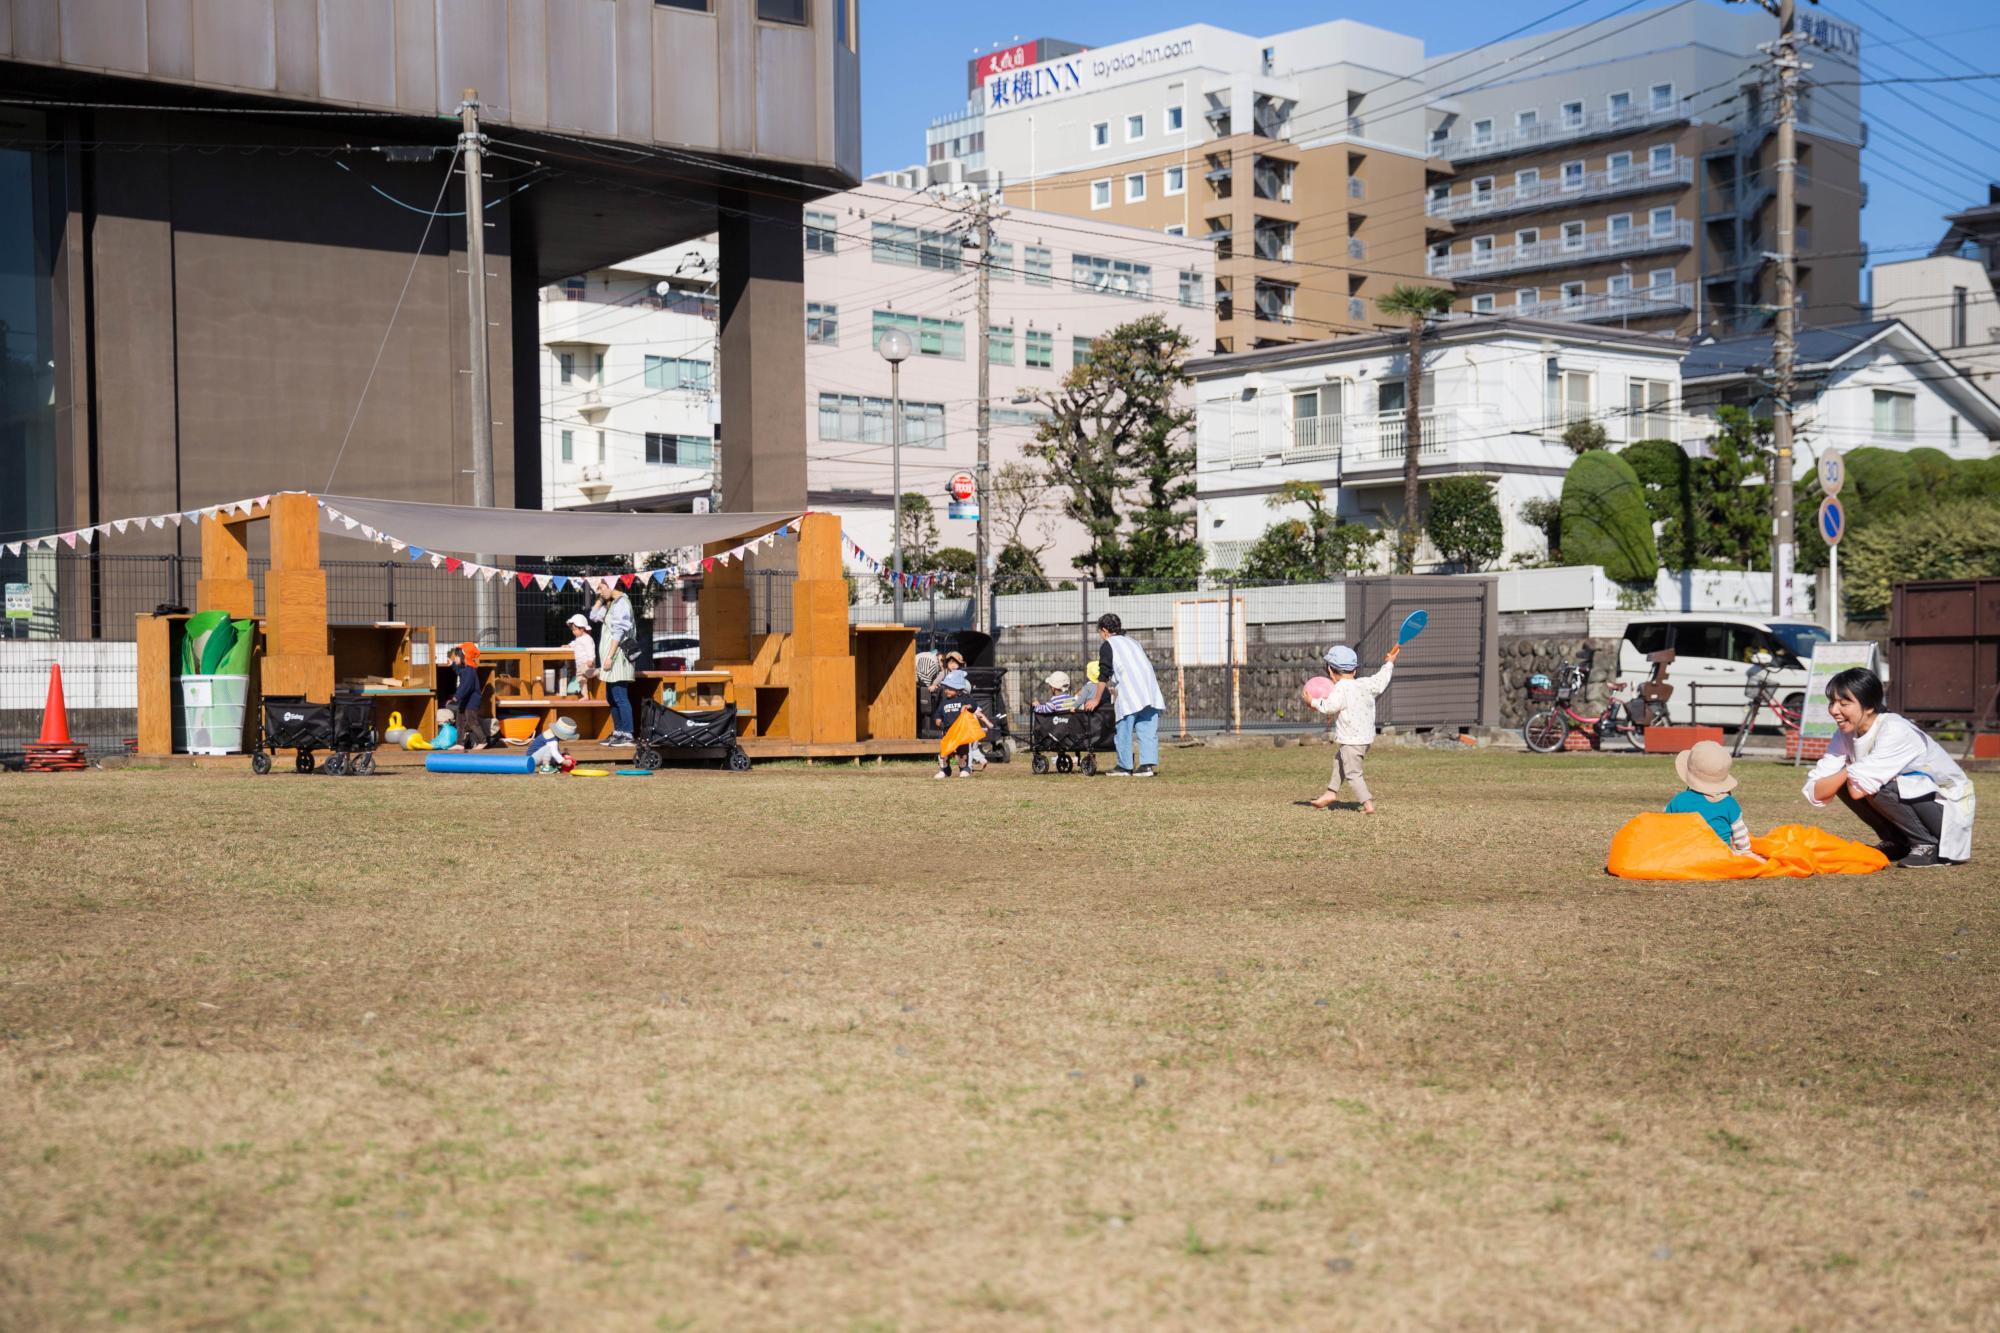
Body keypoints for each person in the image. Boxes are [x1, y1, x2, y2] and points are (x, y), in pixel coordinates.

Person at [1803, 667, 1975, 868]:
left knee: (1873, 784)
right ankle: (1898, 842)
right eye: (1832, 702)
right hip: (1912, 796)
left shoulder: (1895, 729)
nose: (1834, 710)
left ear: (1869, 706)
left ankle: (1928, 844)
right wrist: (1847, 771)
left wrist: (1848, 770)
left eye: (1844, 703)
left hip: (1946, 810)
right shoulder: (1845, 733)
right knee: (1843, 781)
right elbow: (1816, 790)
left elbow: (1859, 790)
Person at [1307, 642, 1399, 812]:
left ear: (1330, 670)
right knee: (1339, 761)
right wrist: (1389, 663)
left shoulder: (1341, 688)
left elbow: (1329, 707)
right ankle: (1330, 792)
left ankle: (1367, 803)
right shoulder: (1364, 683)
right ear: (1354, 670)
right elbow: (1381, 680)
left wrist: (1312, 701)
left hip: (1351, 741)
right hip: (1364, 740)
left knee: (1353, 773)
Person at [1094, 613, 1165, 778]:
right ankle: (1146, 766)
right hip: (1150, 691)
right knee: (1147, 729)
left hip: (1130, 693)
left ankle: (1124, 766)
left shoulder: (1109, 644)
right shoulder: (1134, 642)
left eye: (1100, 632)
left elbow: (1104, 674)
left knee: (1124, 729)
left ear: (1104, 630)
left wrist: (1096, 698)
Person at [1665, 740, 1756, 854]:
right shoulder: (1730, 804)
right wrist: (1744, 851)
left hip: (1686, 854)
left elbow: (1665, 826)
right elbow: (1741, 837)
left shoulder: (1679, 800)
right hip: (1720, 856)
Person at [589, 584, 638, 746]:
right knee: (611, 697)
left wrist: (609, 657)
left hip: (618, 657)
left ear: (612, 585)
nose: (600, 591)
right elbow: (593, 616)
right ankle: (618, 732)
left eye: (602, 587)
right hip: (610, 659)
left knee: (620, 696)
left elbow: (619, 632)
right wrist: (601, 599)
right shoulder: (612, 604)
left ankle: (627, 734)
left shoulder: (622, 603)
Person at [934, 670, 992, 779]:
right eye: (945, 688)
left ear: (958, 689)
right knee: (944, 752)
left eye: (950, 688)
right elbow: (938, 714)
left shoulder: (964, 699)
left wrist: (968, 706)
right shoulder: (944, 702)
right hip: (948, 733)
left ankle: (965, 769)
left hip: (962, 733)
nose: (946, 690)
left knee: (963, 753)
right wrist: (938, 720)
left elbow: (974, 706)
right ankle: (944, 770)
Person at [441, 642, 488, 750]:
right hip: (465, 701)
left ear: (464, 657)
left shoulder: (470, 671)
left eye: (457, 656)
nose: (455, 658)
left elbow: (466, 686)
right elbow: (460, 673)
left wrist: (456, 697)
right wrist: (452, 664)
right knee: (460, 721)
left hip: (471, 701)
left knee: (472, 721)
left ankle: (482, 741)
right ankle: (460, 743)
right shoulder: (466, 669)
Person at [564, 613, 597, 696]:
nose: (573, 632)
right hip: (579, 664)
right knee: (580, 680)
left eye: (575, 630)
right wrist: (568, 645)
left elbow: (591, 650)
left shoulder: (587, 639)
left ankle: (598, 671)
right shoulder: (578, 638)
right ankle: (585, 696)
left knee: (587, 673)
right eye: (572, 630)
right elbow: (574, 643)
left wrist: (591, 659)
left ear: (582, 628)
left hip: (586, 663)